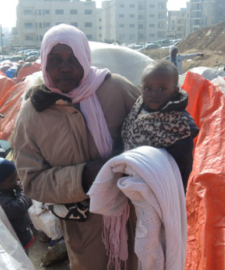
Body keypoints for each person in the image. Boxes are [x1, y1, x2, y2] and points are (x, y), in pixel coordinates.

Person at [13, 24, 140, 270]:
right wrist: (84, 176)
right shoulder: (32, 114)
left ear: (85, 57)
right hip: (83, 230)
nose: (65, 67)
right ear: (44, 62)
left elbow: (156, 129)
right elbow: (31, 180)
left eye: (73, 58)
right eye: (56, 59)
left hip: (133, 219)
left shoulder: (117, 89)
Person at [121, 60, 199, 192]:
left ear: (174, 92)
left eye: (162, 88)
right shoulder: (138, 109)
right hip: (128, 181)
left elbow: (182, 166)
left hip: (160, 190)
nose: (154, 93)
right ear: (141, 88)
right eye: (148, 88)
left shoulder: (178, 124)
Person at [0, 156, 34, 255]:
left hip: (22, 234)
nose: (17, 181)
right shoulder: (1, 199)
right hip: (17, 241)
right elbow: (18, 208)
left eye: (16, 177)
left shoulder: (7, 190)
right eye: (12, 180)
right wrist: (20, 190)